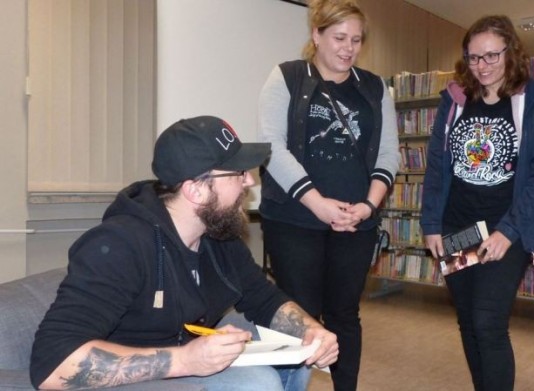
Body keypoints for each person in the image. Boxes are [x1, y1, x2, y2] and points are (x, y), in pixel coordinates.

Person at [29, 115, 339, 391]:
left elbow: (264, 298)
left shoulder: (218, 235)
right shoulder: (119, 246)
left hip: (182, 353)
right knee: (256, 383)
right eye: (237, 173)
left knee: (291, 361)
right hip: (129, 376)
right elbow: (53, 365)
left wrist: (311, 331)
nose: (249, 180)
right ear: (196, 190)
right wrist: (187, 361)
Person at [257, 0, 399, 389]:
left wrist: (368, 206)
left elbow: (388, 154)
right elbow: (272, 146)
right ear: (316, 35)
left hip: (355, 223)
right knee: (297, 316)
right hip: (294, 219)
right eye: (339, 37)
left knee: (344, 315)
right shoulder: (287, 76)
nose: (348, 47)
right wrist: (317, 203)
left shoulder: (374, 87)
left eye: (355, 40)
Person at [420, 15, 534, 391]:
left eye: (491, 56)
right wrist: (431, 224)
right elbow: (437, 166)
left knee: (488, 322)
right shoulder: (454, 102)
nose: (482, 66)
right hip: (457, 228)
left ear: (511, 53)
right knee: (468, 321)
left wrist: (509, 230)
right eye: (473, 57)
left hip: (505, 228)